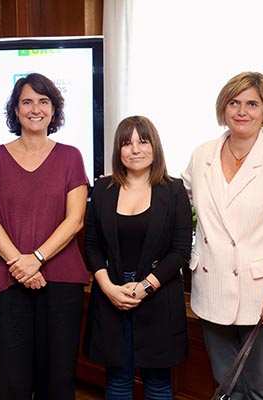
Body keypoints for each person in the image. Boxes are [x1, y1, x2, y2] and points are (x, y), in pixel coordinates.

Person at [181, 71, 263, 399]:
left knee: (259, 390)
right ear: (223, 108)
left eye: (252, 104)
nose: (242, 111)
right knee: (226, 388)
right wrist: (128, 180)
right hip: (212, 288)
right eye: (234, 103)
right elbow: (174, 196)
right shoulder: (203, 155)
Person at [0, 72, 90, 399]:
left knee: (58, 379)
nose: (35, 108)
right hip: (9, 281)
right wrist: (20, 265)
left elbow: (75, 219)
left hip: (62, 281)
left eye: (43, 101)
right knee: (13, 380)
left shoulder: (71, 156)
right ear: (15, 109)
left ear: (55, 110)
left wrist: (36, 259)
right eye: (27, 101)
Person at [82, 116, 191, 399]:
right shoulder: (104, 192)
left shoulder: (174, 190)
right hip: (111, 294)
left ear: (154, 146)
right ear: (118, 151)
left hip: (158, 295)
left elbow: (180, 250)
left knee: (157, 381)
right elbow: (92, 246)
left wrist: (145, 287)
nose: (135, 149)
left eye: (142, 141)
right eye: (126, 143)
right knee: (117, 379)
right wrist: (107, 287)